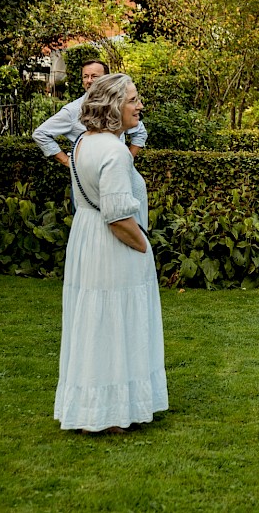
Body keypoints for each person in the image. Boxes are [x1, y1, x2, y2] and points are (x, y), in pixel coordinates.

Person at [53, 73, 167, 434]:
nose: (140, 106)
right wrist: (143, 245)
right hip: (111, 244)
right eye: (133, 99)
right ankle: (112, 415)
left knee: (95, 322)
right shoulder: (116, 152)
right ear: (114, 105)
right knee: (117, 321)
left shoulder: (84, 142)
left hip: (87, 239)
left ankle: (94, 411)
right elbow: (118, 217)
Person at [32, 60, 148, 168]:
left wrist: (127, 160)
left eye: (94, 76)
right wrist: (68, 162)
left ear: (107, 79)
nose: (89, 81)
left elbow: (140, 132)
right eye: (85, 77)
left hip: (116, 172)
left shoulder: (117, 107)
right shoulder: (73, 110)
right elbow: (41, 134)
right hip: (86, 180)